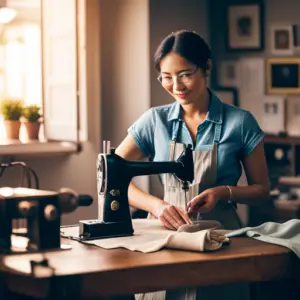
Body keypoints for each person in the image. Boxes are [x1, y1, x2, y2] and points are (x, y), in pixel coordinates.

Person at [115, 30, 270, 300]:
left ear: (206, 67)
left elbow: (261, 190)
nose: (177, 86)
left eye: (185, 74)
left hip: (222, 239)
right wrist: (156, 206)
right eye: (166, 77)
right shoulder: (154, 121)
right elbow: (112, 175)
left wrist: (224, 192)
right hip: (165, 235)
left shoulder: (241, 122)